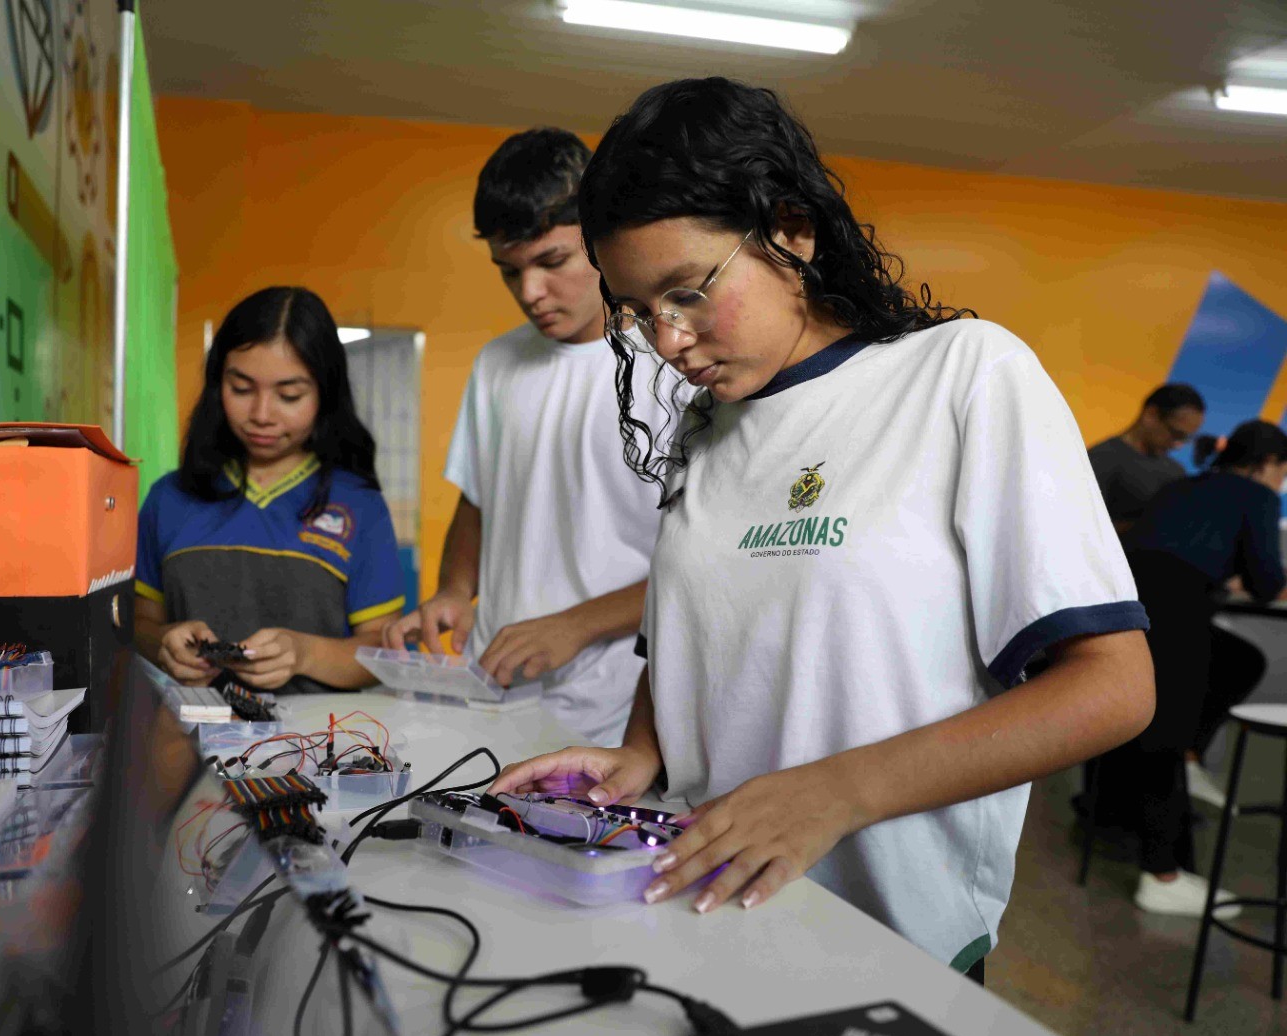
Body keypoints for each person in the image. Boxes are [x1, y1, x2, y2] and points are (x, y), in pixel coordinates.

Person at [492, 78, 1155, 981]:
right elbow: (687, 643)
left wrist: (838, 794)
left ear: (792, 231)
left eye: (687, 292)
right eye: (640, 310)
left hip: (892, 939)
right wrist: (638, 756)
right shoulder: (706, 429)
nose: (668, 340)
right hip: (709, 902)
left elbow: (1113, 688)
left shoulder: (963, 378)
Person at [382, 128, 668, 746]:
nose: (529, 293)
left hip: (619, 708)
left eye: (552, 262)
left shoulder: (673, 365)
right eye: (509, 271)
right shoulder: (496, 363)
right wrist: (455, 591)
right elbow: (480, 500)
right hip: (495, 689)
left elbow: (706, 561)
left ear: (601, 235)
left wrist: (576, 625)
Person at [134, 286, 405, 695]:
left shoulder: (359, 505)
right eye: (241, 388)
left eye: (289, 395)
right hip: (186, 736)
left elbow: (382, 650)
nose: (261, 414)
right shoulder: (169, 497)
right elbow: (137, 624)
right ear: (216, 383)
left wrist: (304, 652)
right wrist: (164, 644)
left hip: (317, 744)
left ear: (325, 395)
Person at [1098, 420, 1287, 915]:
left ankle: (1189, 757)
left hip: (1128, 599)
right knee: (1165, 729)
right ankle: (1162, 874)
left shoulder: (1185, 485)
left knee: (1238, 659)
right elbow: (1268, 582)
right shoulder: (1258, 497)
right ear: (1269, 465)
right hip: (1174, 603)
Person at [1087, 383, 1205, 534]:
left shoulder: (1176, 472)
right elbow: (1083, 531)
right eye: (1176, 434)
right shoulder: (1102, 459)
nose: (1178, 445)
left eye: (1186, 438)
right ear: (1151, 414)